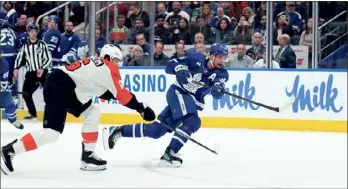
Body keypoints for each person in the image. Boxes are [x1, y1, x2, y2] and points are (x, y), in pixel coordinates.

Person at [0, 44, 156, 175]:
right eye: (115, 60)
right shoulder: (108, 68)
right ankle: (9, 150)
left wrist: (138, 106)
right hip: (61, 87)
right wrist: (142, 108)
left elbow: (107, 93)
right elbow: (122, 96)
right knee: (51, 134)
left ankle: (87, 155)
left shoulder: (97, 65)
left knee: (92, 111)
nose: (117, 64)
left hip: (66, 87)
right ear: (108, 57)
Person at [103, 43, 229, 167]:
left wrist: (218, 90)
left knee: (156, 131)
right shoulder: (195, 58)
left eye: (224, 57)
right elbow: (171, 64)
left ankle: (118, 130)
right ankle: (170, 153)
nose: (222, 60)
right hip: (177, 93)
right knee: (193, 121)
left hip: (189, 102)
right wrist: (179, 68)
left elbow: (219, 87)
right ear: (211, 56)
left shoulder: (222, 73)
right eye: (220, 57)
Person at [13, 25, 52, 121]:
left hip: (42, 72)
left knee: (49, 93)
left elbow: (48, 58)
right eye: (31, 31)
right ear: (28, 33)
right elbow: (19, 58)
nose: (33, 33)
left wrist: (42, 68)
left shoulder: (42, 44)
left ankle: (52, 113)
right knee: (26, 93)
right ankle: (33, 113)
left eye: (35, 31)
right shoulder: (25, 46)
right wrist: (16, 68)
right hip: (30, 73)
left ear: (37, 32)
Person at [0, 51, 24, 129]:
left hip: (3, 90)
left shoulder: (4, 64)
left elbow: (3, 82)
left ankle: (13, 120)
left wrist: (3, 87)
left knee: (10, 105)